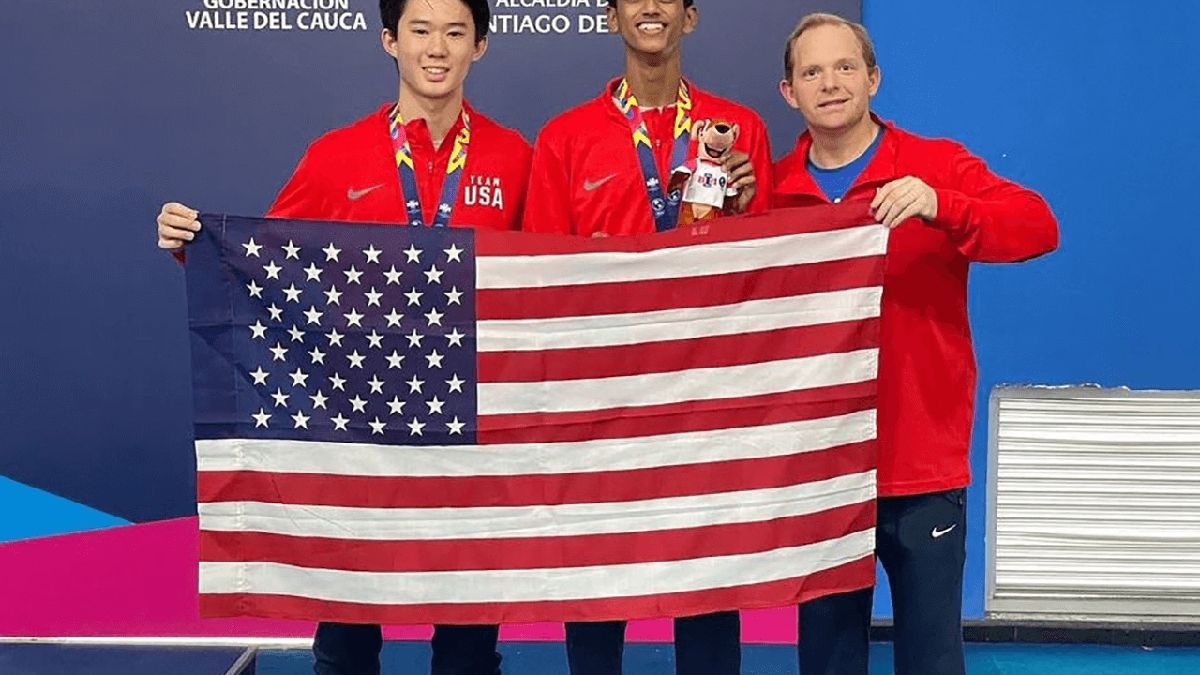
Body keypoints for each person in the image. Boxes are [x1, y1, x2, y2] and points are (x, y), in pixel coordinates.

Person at [156, 1, 530, 673]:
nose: (436, 48)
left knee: (469, 641)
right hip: (356, 429)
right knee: (347, 640)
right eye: (419, 30)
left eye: (455, 32)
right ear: (390, 40)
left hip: (473, 430)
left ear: (481, 47)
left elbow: (557, 276)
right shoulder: (336, 155)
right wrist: (197, 249)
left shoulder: (514, 156)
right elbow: (262, 262)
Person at [771, 13, 1059, 675]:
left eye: (845, 67)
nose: (831, 83)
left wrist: (945, 206)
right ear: (789, 93)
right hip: (822, 471)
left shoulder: (936, 166)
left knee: (931, 658)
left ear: (874, 77)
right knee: (828, 659)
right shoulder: (773, 194)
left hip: (922, 466)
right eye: (811, 71)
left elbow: (1039, 225)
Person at [522, 1, 772, 673]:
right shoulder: (564, 137)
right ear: (613, 18)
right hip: (602, 402)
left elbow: (767, 277)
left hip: (705, 394)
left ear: (688, 18)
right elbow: (543, 278)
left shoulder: (738, 129)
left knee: (707, 593)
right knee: (598, 593)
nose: (651, 7)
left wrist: (749, 209)